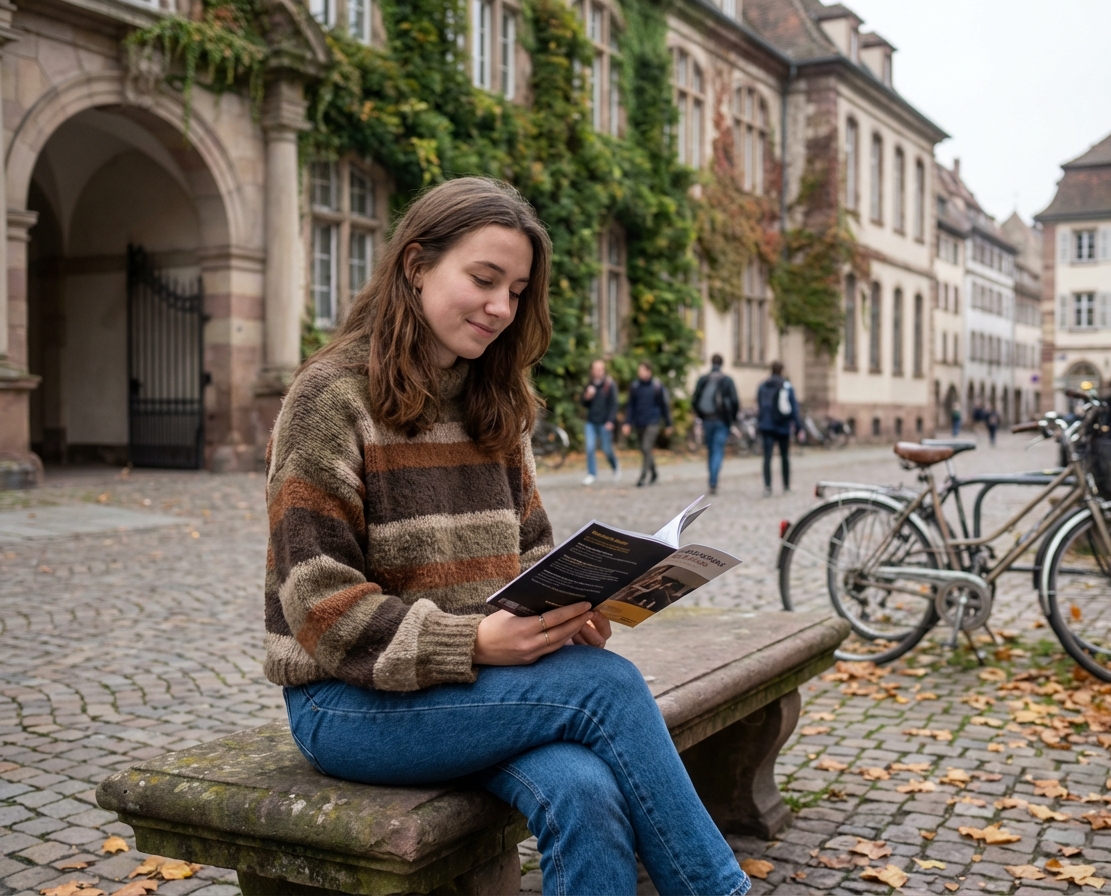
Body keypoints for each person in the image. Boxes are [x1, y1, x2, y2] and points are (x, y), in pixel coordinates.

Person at [263, 177, 749, 896]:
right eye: (484, 280)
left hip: (475, 692)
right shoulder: (329, 399)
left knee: (585, 791)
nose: (501, 307)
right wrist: (474, 642)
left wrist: (572, 610)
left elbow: (532, 552)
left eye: (517, 291)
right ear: (416, 265)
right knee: (607, 688)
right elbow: (318, 606)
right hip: (348, 703)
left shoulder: (495, 401)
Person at [691, 354, 739, 494]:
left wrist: (700, 416)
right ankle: (713, 481)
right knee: (717, 450)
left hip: (707, 419)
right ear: (722, 364)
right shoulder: (727, 380)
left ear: (711, 363)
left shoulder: (703, 379)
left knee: (711, 450)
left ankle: (712, 479)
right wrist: (732, 419)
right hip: (722, 421)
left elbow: (695, 400)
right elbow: (735, 401)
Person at [622, 361, 673, 487]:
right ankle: (654, 472)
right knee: (645, 450)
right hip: (640, 422)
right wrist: (627, 423)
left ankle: (643, 477)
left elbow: (664, 406)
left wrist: (668, 423)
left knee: (646, 447)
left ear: (649, 371)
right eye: (639, 371)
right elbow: (631, 406)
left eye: (642, 370)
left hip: (653, 421)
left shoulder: (656, 386)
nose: (640, 373)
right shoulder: (635, 386)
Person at [756, 361, 802, 497]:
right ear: (782, 370)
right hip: (783, 426)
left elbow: (759, 405)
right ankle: (786, 485)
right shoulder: (787, 386)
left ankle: (767, 487)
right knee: (785, 457)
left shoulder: (763, 386)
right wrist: (798, 427)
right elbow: (793, 408)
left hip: (767, 426)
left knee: (767, 457)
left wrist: (760, 422)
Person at [580, 358, 620, 486]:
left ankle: (615, 466)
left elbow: (614, 404)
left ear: (603, 370)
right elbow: (583, 403)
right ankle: (591, 473)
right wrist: (587, 397)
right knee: (590, 447)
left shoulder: (609, 385)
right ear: (592, 370)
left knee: (607, 449)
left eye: (600, 369)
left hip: (604, 423)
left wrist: (610, 421)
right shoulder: (589, 384)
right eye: (595, 369)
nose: (598, 371)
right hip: (591, 422)